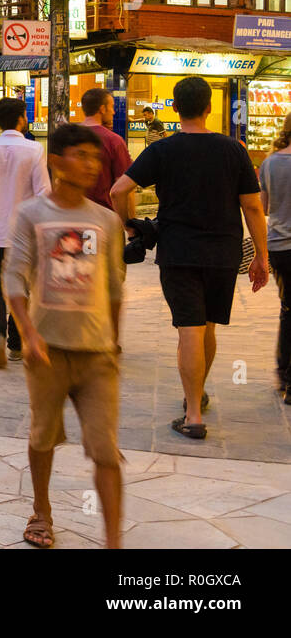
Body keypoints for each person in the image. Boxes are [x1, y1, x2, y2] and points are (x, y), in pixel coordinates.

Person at [109, 75, 269, 440]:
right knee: (206, 327)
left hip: (179, 251)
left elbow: (118, 189)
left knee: (189, 329)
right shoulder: (234, 150)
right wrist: (261, 255)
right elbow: (253, 208)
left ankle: (194, 414)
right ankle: (194, 394)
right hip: (224, 253)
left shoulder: (162, 150)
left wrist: (130, 227)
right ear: (210, 107)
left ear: (176, 108)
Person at [4, 122, 126, 549]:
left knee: (106, 451)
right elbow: (14, 278)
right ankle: (41, 511)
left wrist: (114, 342)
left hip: (96, 355)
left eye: (96, 157)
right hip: (48, 351)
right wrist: (28, 334)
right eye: (82, 155)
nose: (92, 165)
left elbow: (114, 288)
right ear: (57, 160)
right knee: (43, 436)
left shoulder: (107, 221)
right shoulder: (31, 214)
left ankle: (113, 541)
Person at [0, 97, 51, 368]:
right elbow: (44, 193)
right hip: (25, 233)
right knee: (23, 286)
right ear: (21, 119)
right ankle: (16, 346)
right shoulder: (34, 150)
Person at [260, 112, 291, 405]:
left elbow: (264, 207)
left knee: (287, 308)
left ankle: (284, 373)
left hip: (279, 247)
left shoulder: (269, 163)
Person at [79, 88, 131, 211]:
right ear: (102, 109)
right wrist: (128, 223)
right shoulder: (114, 141)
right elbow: (124, 189)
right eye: (112, 107)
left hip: (70, 215)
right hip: (103, 215)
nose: (113, 112)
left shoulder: (67, 136)